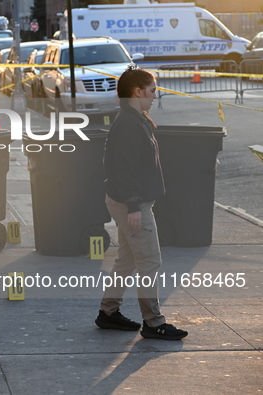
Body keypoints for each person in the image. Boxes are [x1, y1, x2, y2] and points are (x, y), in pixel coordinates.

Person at [94, 65, 188, 341]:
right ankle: (153, 322)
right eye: (152, 91)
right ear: (138, 92)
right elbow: (125, 169)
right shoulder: (128, 124)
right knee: (150, 261)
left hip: (127, 201)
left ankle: (108, 312)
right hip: (130, 204)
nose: (154, 96)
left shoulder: (134, 119)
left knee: (127, 259)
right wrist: (134, 205)